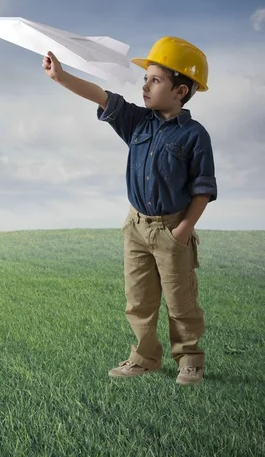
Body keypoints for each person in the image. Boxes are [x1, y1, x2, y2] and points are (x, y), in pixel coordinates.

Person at [43, 36, 217, 386]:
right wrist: (61, 77)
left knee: (180, 301)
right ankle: (144, 358)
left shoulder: (195, 136)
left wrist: (182, 232)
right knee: (138, 300)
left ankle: (190, 360)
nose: (145, 86)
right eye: (145, 78)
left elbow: (203, 189)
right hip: (135, 226)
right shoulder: (138, 122)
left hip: (172, 229)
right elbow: (102, 96)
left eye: (155, 80)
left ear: (180, 90)